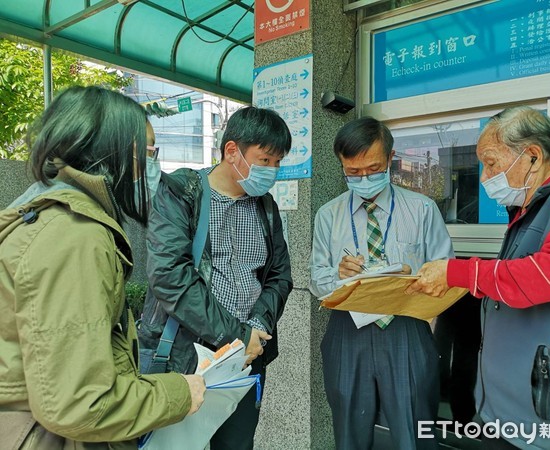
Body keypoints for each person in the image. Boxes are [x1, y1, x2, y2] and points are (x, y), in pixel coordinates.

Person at [0, 85, 205, 450]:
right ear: (112, 152)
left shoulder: (47, 216)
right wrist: (179, 393)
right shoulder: (75, 234)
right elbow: (79, 403)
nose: (154, 165)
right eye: (148, 151)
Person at [407, 106, 550, 449]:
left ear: (532, 157)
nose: (484, 177)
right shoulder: (530, 208)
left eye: (492, 163)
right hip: (511, 410)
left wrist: (457, 272)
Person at [138, 106, 293, 449]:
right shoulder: (181, 191)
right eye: (265, 160)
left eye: (278, 162)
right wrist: (235, 335)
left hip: (245, 360)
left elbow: (280, 276)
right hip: (184, 356)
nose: (272, 171)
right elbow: (170, 276)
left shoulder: (266, 206)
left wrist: (255, 328)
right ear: (232, 151)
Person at [310, 117, 454, 450]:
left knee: (415, 430)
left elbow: (446, 271)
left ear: (390, 160)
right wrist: (338, 274)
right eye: (353, 172)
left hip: (406, 326)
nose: (363, 178)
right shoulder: (327, 216)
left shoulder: (421, 209)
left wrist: (413, 277)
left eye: (373, 169)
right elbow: (316, 278)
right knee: (349, 430)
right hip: (348, 330)